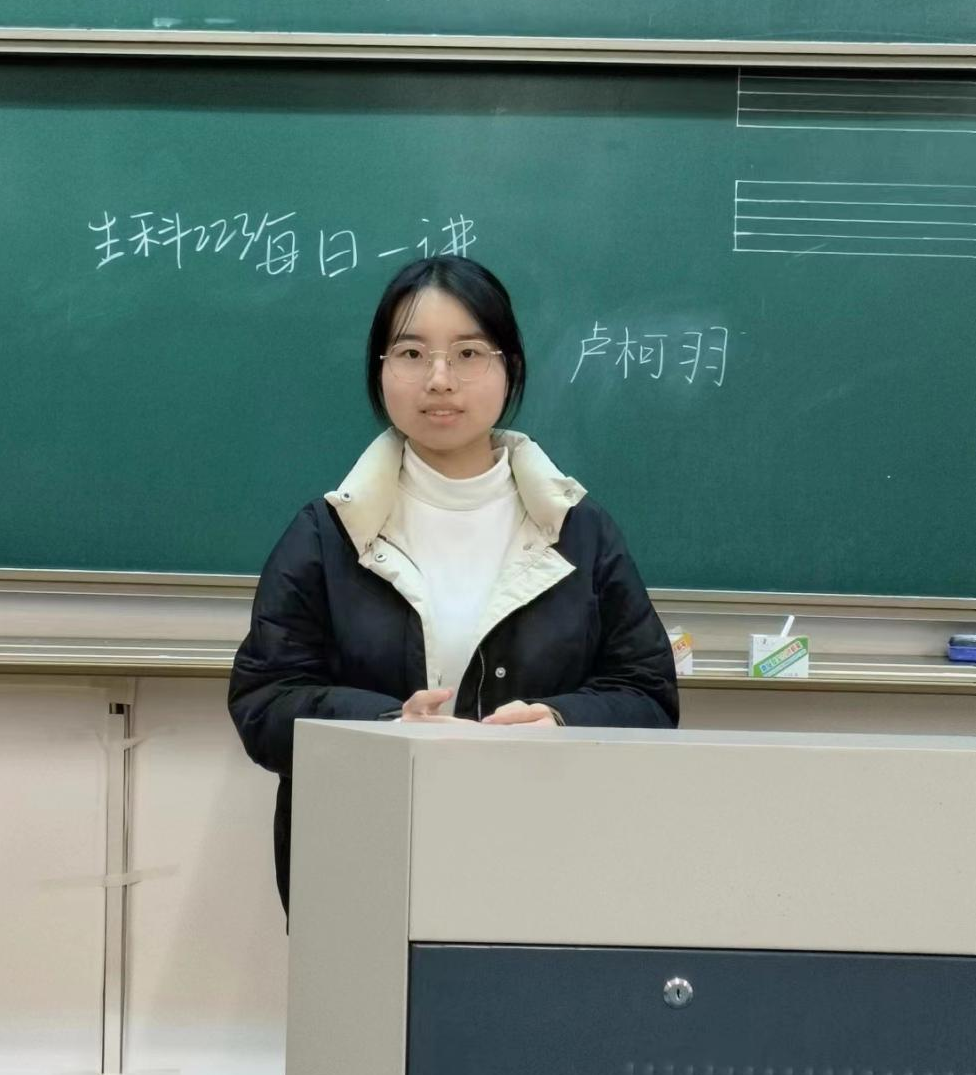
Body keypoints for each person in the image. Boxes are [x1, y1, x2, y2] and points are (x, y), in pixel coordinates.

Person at [228, 257, 678, 913]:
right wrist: (386, 725)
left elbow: (648, 697)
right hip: (363, 866)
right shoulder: (328, 533)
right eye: (412, 353)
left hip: (547, 861)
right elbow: (264, 702)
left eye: (468, 353)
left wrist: (560, 720)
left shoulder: (577, 530)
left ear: (509, 366)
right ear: (380, 369)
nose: (439, 379)